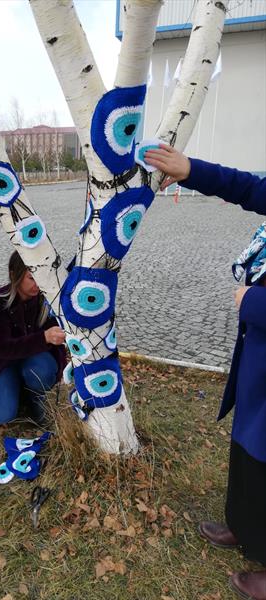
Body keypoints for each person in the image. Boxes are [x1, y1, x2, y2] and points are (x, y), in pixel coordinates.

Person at [145, 144, 266, 600]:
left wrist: (253, 301)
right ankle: (246, 526)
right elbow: (248, 187)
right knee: (249, 442)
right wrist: (191, 169)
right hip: (260, 354)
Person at [0, 251, 67, 433]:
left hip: (36, 361)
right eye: (31, 278)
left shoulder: (48, 298)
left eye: (39, 278)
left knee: (40, 369)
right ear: (14, 275)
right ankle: (15, 389)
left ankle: (35, 397)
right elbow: (4, 348)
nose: (37, 284)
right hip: (3, 363)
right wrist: (44, 337)